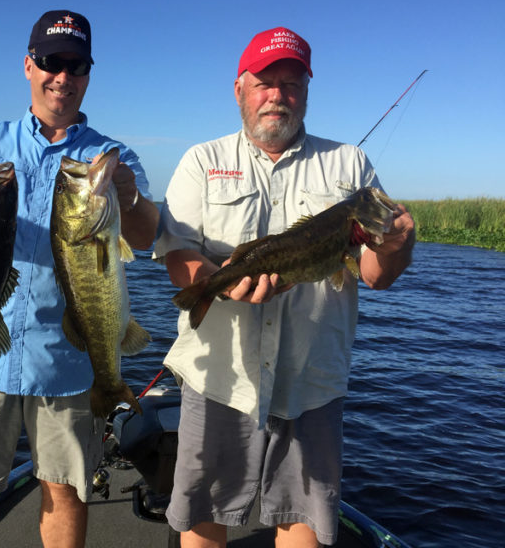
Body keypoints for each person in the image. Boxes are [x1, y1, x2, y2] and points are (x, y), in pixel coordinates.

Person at [0, 10, 159, 548]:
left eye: (75, 65)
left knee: (64, 492)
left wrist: (129, 195)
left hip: (68, 360)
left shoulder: (111, 157)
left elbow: (144, 236)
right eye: (50, 62)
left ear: (88, 74)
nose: (62, 76)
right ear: (28, 66)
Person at [153, 27, 415, 548]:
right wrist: (215, 284)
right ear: (239, 89)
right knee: (204, 513)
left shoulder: (350, 165)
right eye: (264, 83)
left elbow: (375, 274)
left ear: (307, 92)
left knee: (302, 518)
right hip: (220, 377)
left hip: (311, 381)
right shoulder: (201, 160)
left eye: (291, 84)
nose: (277, 95)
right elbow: (178, 256)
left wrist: (397, 243)